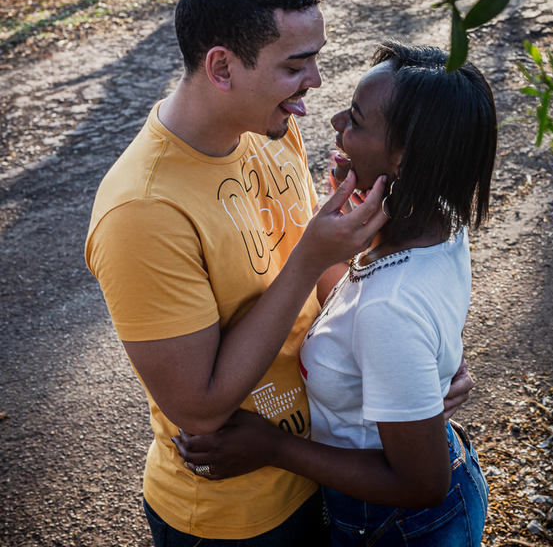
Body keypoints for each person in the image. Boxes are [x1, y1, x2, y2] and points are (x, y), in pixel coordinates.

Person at [85, 0, 473, 546]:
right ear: (222, 67)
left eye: (315, 57)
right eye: (296, 64)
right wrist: (310, 260)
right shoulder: (142, 210)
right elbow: (201, 410)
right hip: (241, 513)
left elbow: (331, 278)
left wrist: (417, 369)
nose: (314, 81)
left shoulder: (270, 127)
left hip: (332, 465)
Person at [174, 42, 496, 547]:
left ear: (405, 158)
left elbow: (422, 483)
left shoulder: (390, 307)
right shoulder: (441, 222)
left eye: (358, 121)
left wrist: (272, 447)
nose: (336, 121)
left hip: (398, 527)